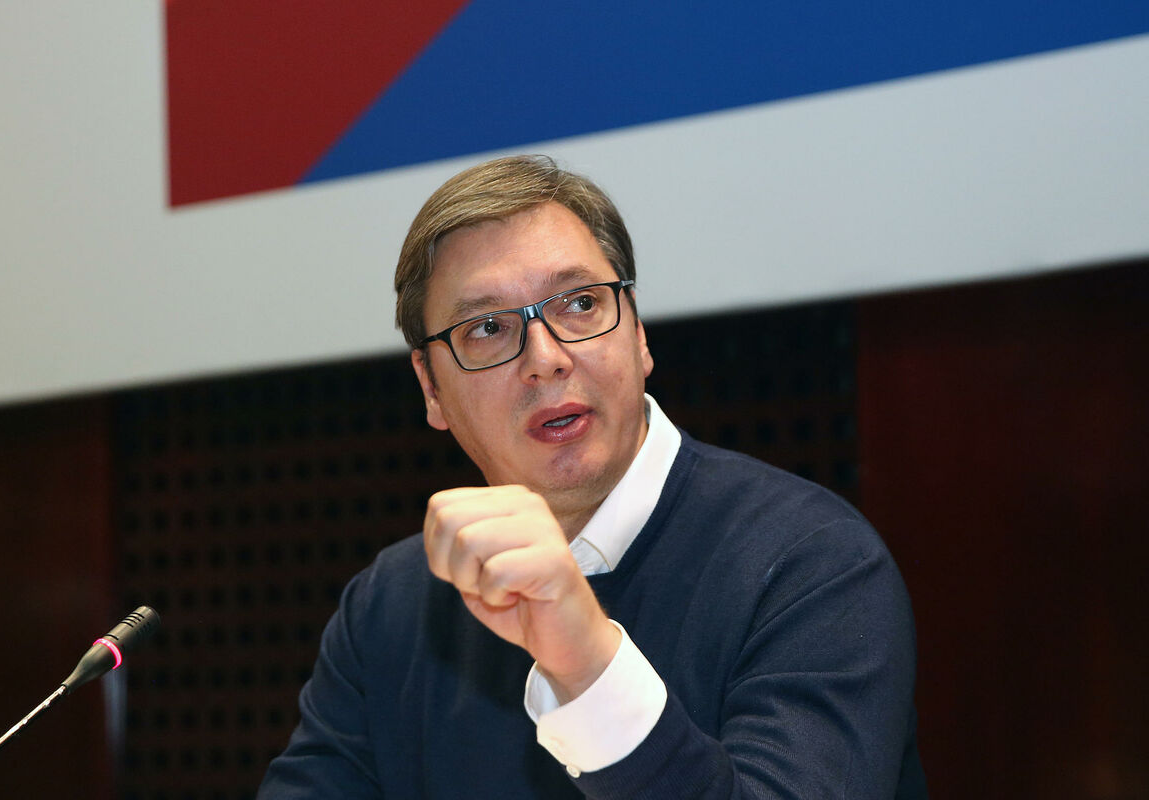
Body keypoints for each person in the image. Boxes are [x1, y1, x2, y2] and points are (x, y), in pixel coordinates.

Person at [258, 155, 926, 798]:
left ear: (638, 333)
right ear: (431, 388)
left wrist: (585, 662)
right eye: (487, 327)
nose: (545, 358)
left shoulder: (812, 562)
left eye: (579, 303)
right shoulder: (391, 604)